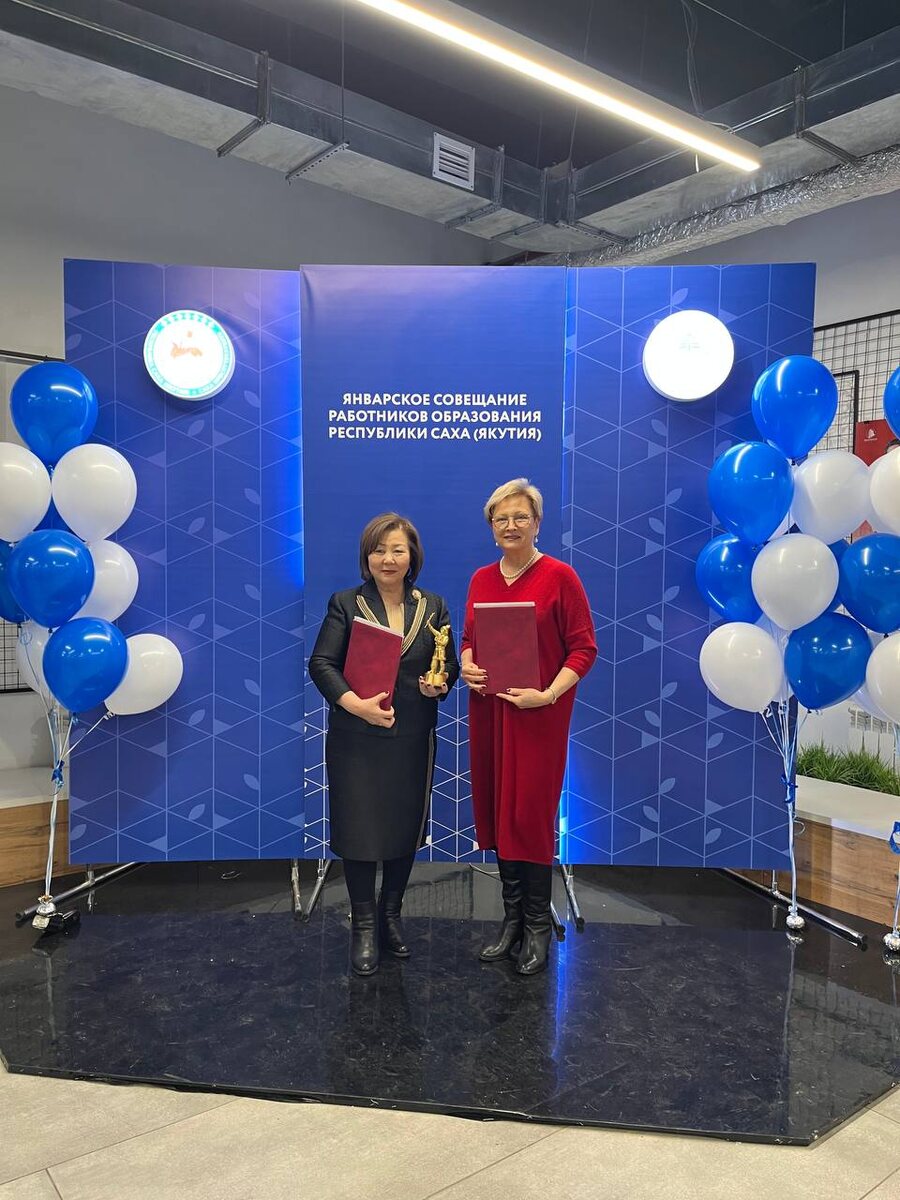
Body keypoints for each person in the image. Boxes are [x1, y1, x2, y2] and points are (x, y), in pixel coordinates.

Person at [309, 513, 458, 976]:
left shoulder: (433, 606)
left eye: (397, 550)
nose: (387, 559)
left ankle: (391, 916)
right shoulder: (346, 603)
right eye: (379, 550)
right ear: (366, 557)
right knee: (359, 831)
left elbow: (447, 665)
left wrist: (440, 684)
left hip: (412, 738)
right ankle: (364, 925)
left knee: (403, 828)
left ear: (412, 556)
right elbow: (321, 664)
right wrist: (355, 705)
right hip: (357, 739)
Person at [460, 479, 597, 976]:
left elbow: (584, 649)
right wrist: (466, 664)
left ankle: (538, 924)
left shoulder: (560, 577)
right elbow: (469, 639)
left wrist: (549, 694)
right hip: (491, 714)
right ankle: (512, 921)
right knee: (500, 812)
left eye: (520, 516)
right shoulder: (481, 579)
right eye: (501, 518)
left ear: (537, 523)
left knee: (531, 815)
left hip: (538, 716)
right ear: (491, 528)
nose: (511, 525)